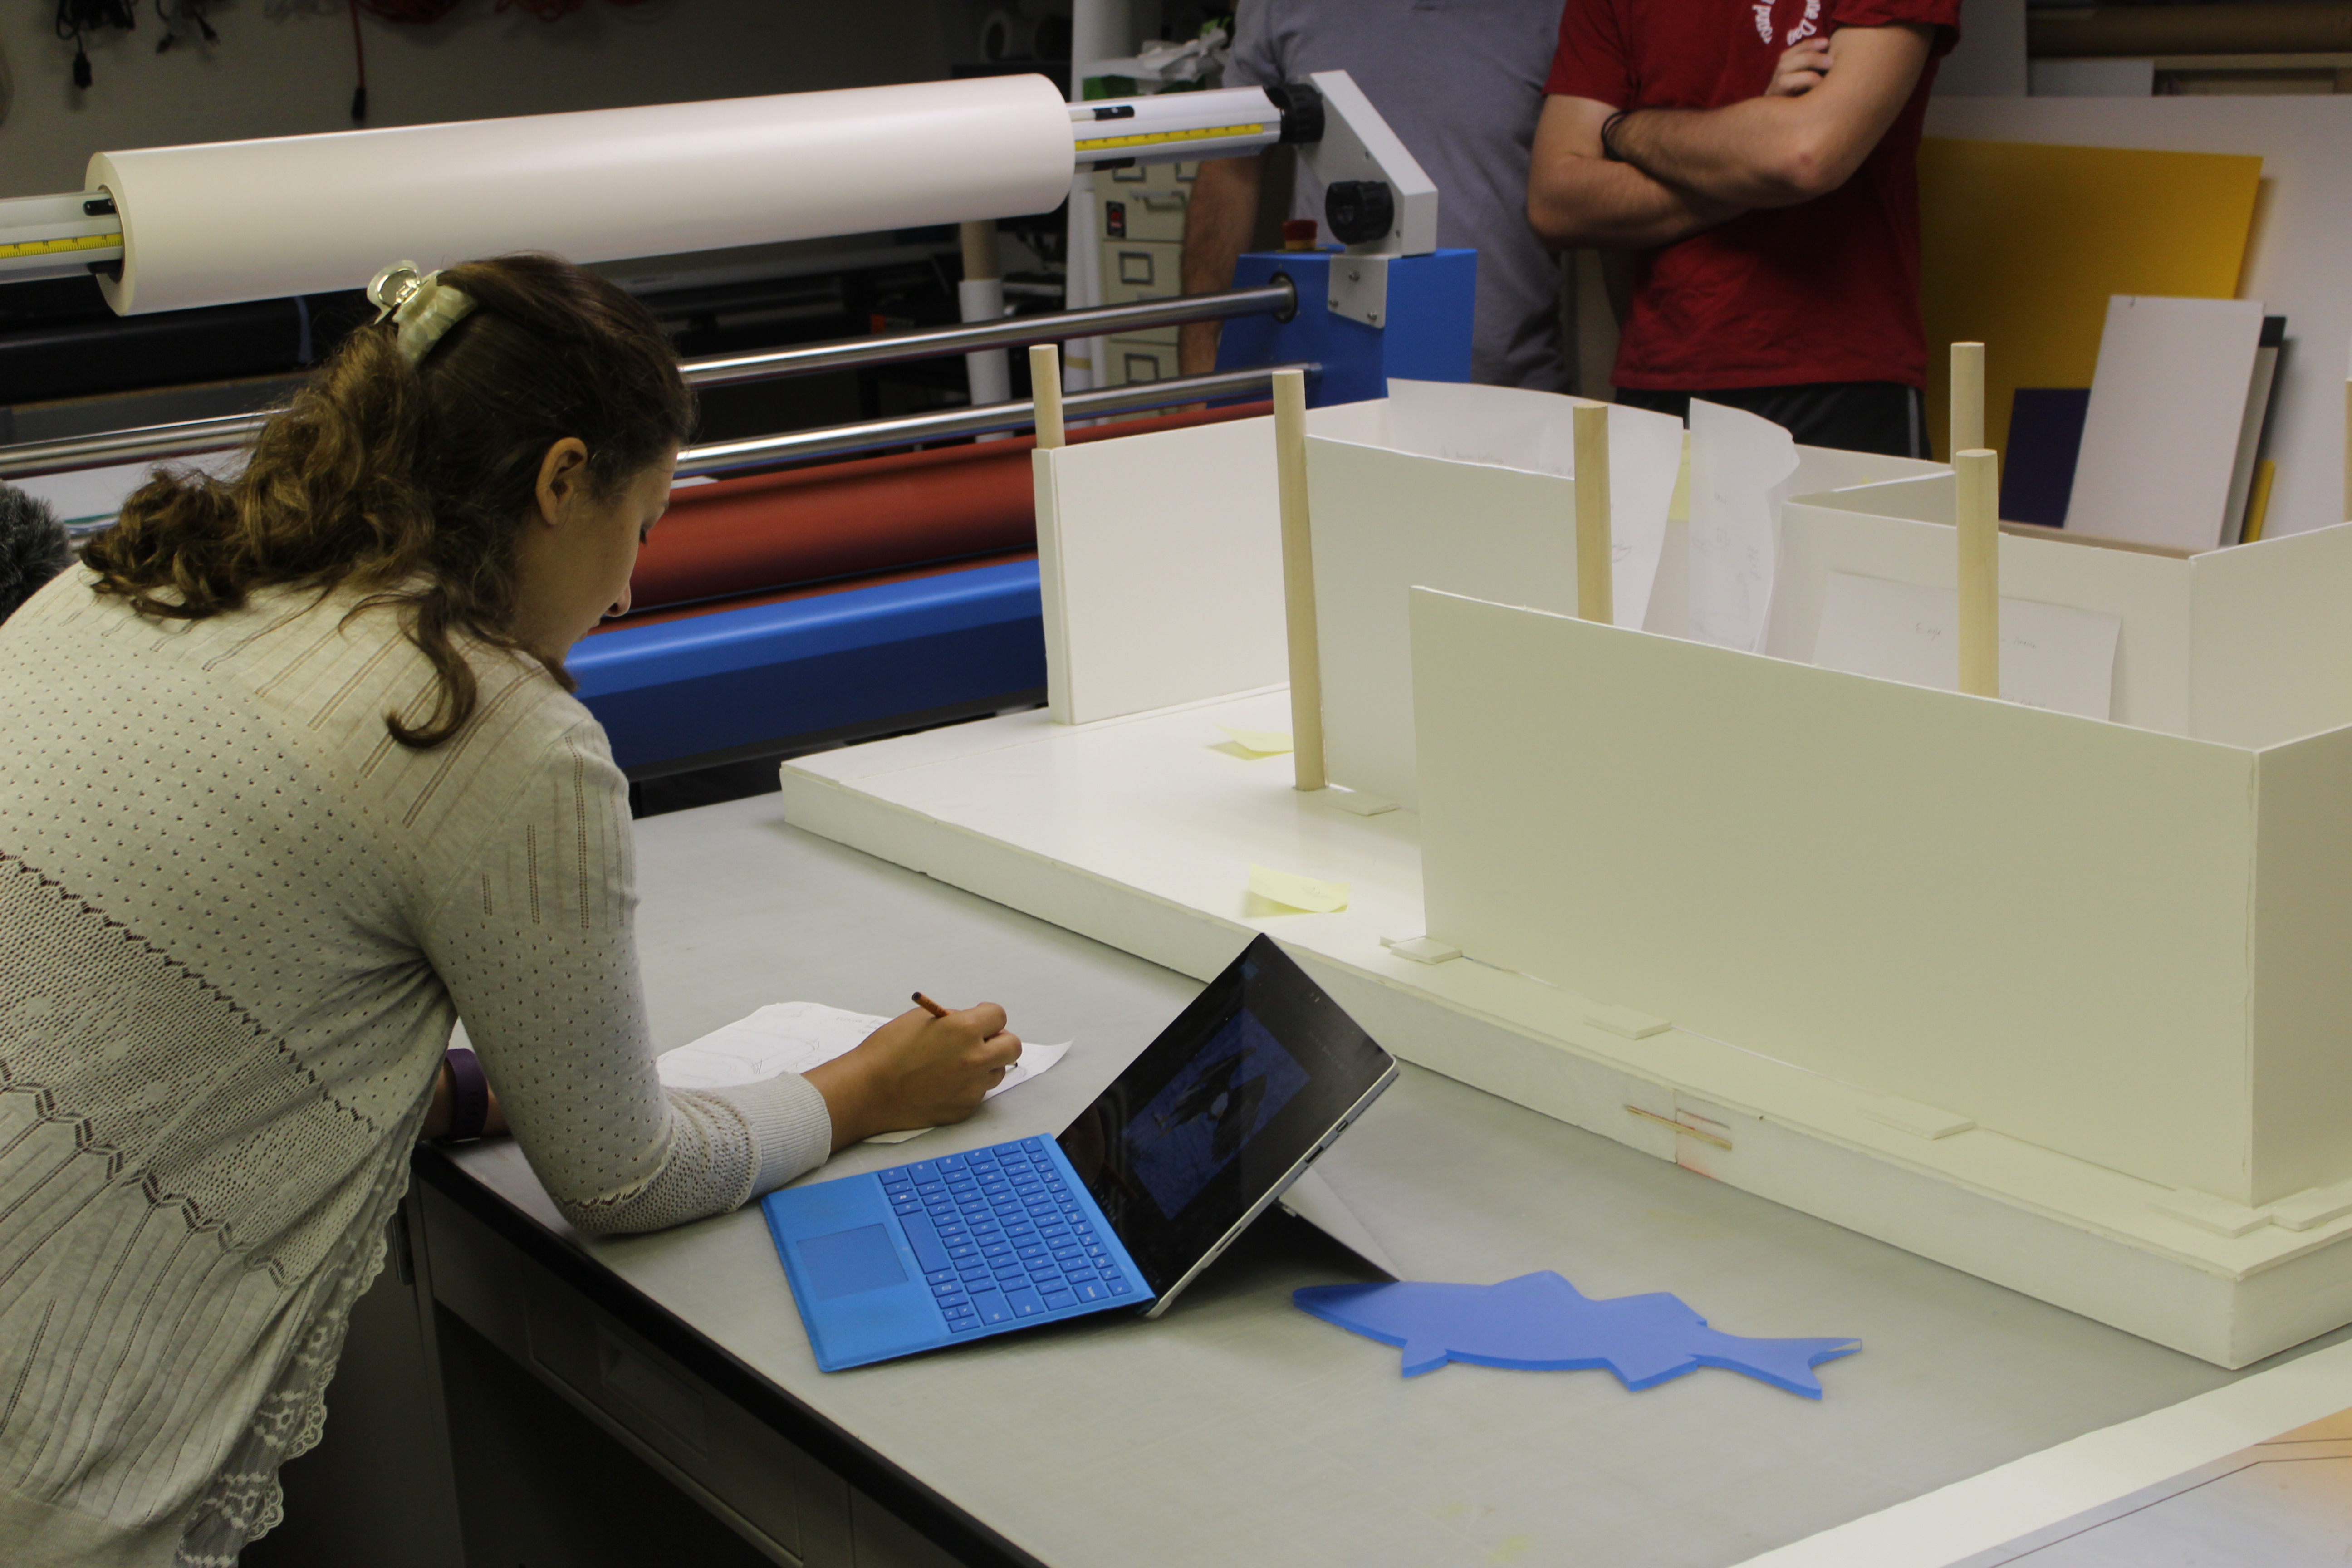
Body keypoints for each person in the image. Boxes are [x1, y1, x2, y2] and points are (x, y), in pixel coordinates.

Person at [0, 253, 1021, 1565]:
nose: (630, 591)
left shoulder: (129, 582)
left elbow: (153, 1008)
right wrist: (865, 1089)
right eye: (639, 528)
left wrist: (467, 1092)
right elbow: (624, 1176)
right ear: (558, 480)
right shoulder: (485, 729)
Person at [1526, 0, 1961, 455]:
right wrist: (1752, 154)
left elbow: (1806, 156)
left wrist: (1627, 132)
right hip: (1659, 379)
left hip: (1841, 376)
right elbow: (1555, 201)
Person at [1179, 0, 1573, 391]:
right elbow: (1230, 167)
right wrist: (1198, 363)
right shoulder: (1280, 8)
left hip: (1506, 394)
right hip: (1329, 381)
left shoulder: (1557, 12)